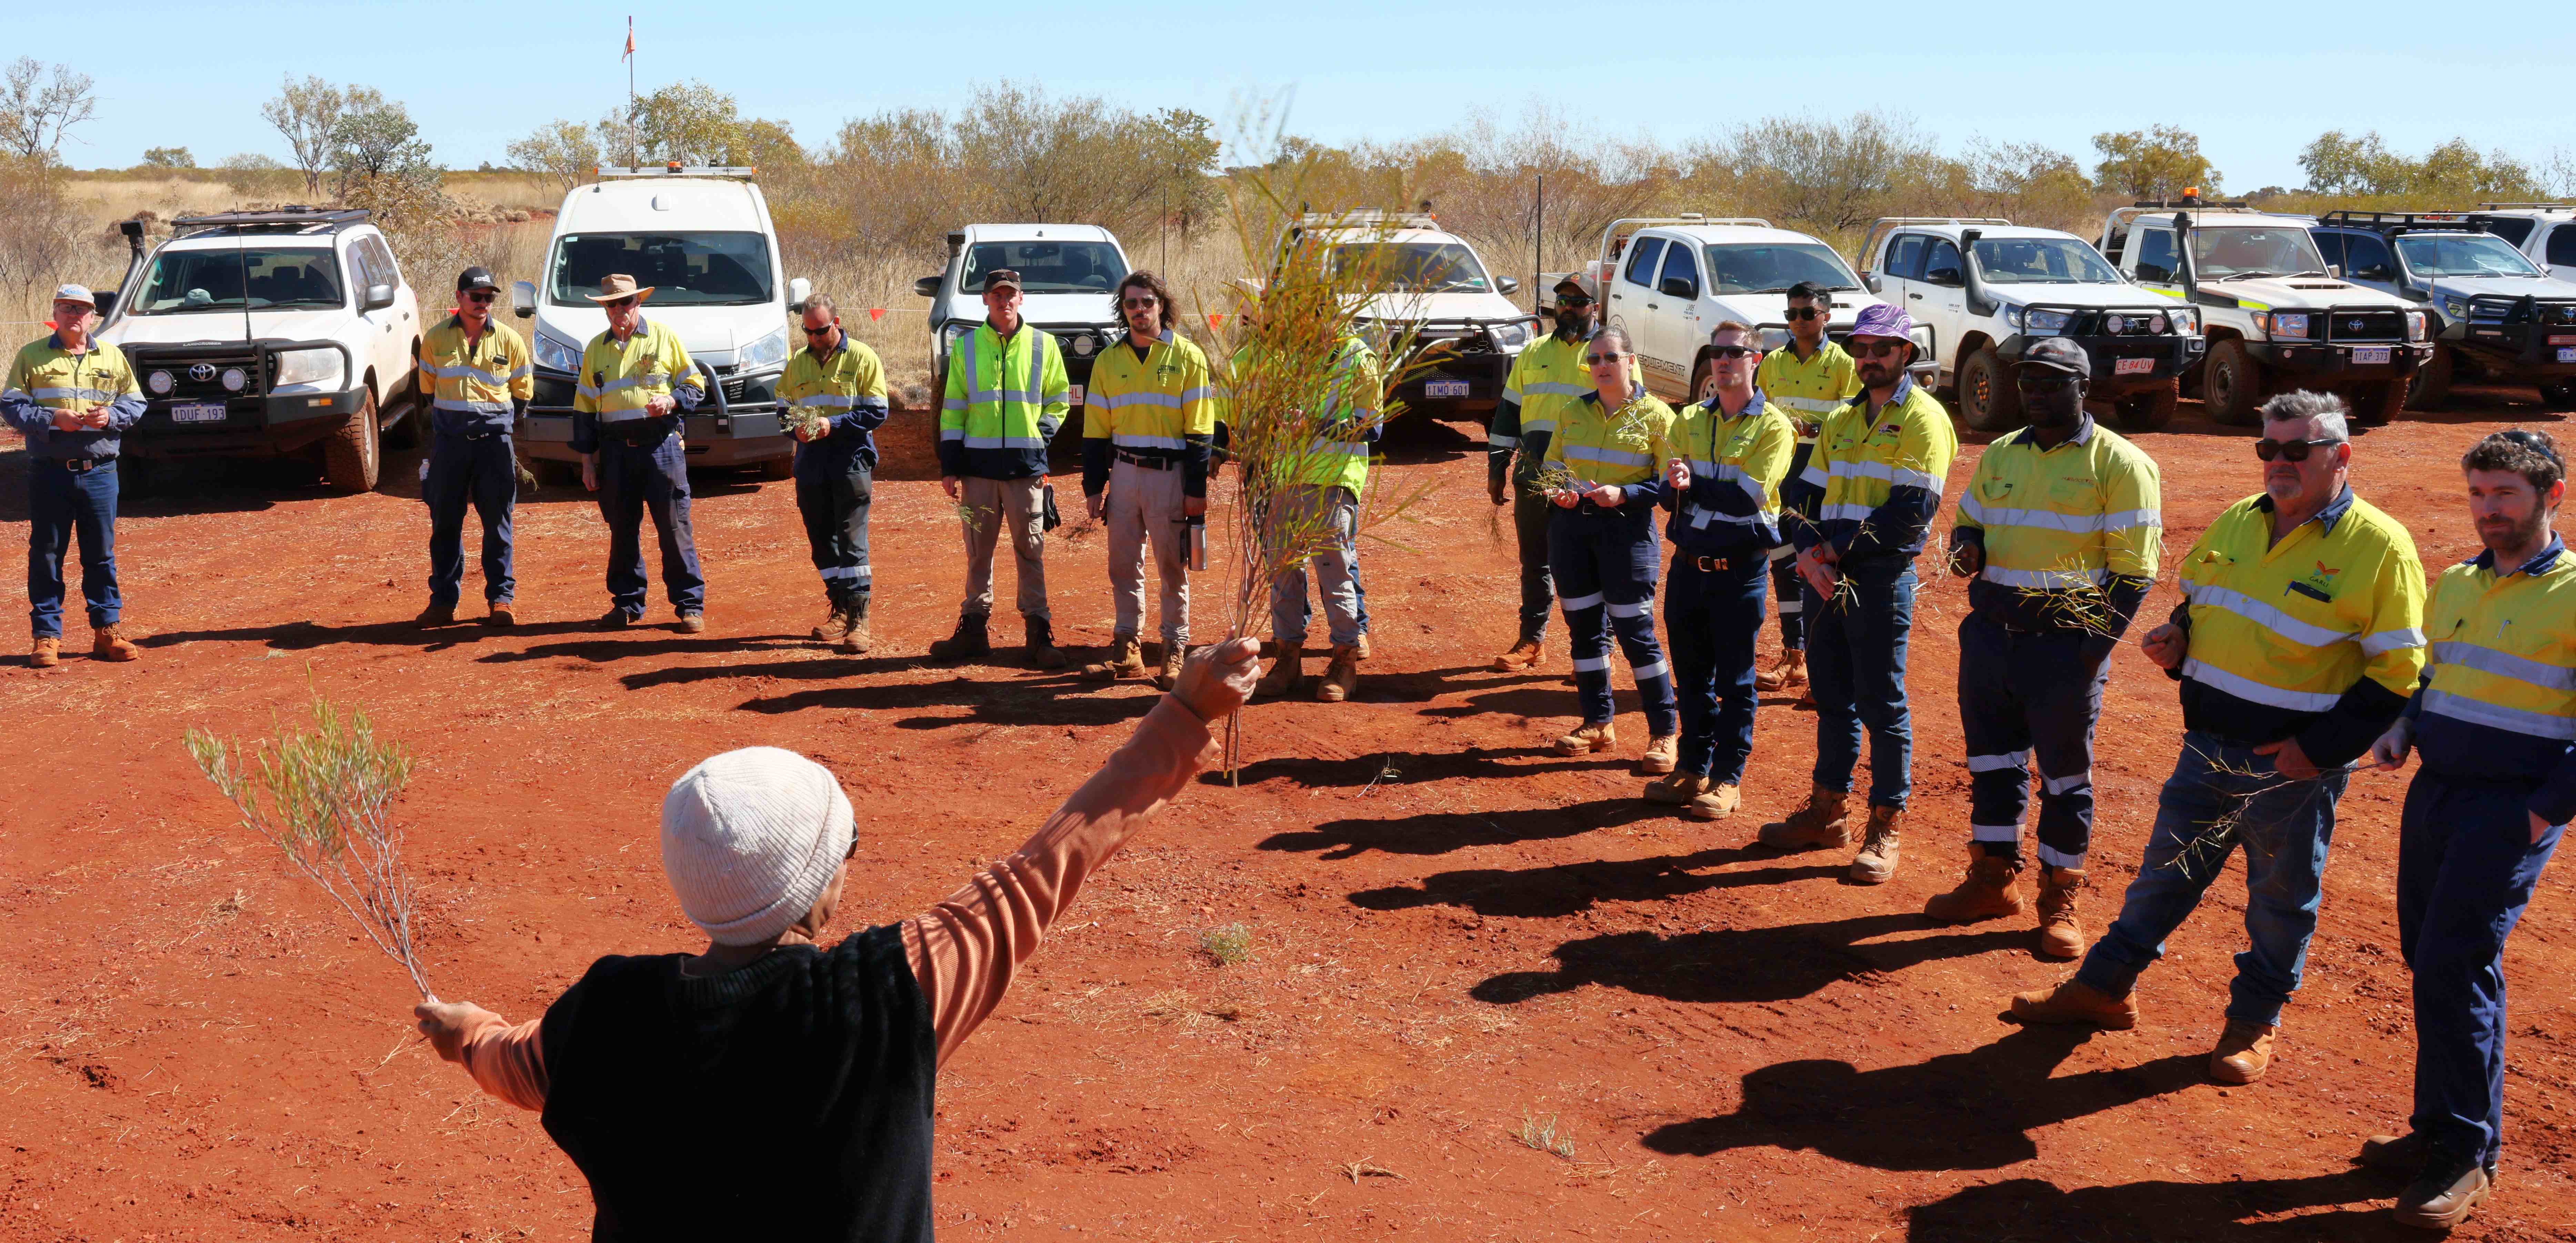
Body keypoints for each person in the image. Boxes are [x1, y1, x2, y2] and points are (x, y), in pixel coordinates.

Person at [412, 638, 1262, 1241]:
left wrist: (468, 1034)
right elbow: (1043, 868)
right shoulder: (882, 997)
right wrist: (1184, 714)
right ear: (823, 882)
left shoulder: (604, 1016)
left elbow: (517, 1062)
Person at [2013, 390, 2428, 1089]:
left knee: (2278, 902)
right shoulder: (2239, 518)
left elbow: (2398, 673)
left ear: (2340, 456)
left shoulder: (2380, 548)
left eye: (2296, 450)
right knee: (2160, 878)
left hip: (2289, 770)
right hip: (2205, 746)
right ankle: (2104, 989)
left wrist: (2319, 752)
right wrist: (2176, 639)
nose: (2277, 463)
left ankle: (2251, 1022)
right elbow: (2199, 599)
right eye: (2267, 449)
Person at [2357, 429, 2571, 1230]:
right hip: (2436, 793)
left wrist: (2540, 812)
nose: (2486, 511)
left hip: (2508, 807)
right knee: (2426, 957)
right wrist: (2403, 726)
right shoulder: (2453, 580)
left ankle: (2466, 1155)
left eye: (2504, 496)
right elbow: (2431, 675)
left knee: (2455, 960)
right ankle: (2432, 1128)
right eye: (2477, 495)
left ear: (2549, 497)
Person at [1931, 338, 2162, 958]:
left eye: (2049, 383)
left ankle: (2059, 898)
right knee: (1990, 764)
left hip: (2063, 650)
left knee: (2064, 779)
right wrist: (1966, 547)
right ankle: (1991, 880)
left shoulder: (2120, 464)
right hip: (1990, 641)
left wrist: (2088, 653)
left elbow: (2133, 574)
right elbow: (1969, 521)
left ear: (2081, 388)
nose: (2033, 392)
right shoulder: (2002, 452)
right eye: (2027, 382)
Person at [1761, 304, 1957, 884]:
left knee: (1882, 705)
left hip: (1878, 578)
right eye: (1861, 348)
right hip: (1826, 575)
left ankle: (1884, 826)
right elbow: (1801, 493)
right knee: (1830, 696)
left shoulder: (1924, 419)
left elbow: (1909, 514)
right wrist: (1804, 548)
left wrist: (1827, 553)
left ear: (1906, 354)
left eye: (1882, 348)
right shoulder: (1843, 418)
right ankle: (1827, 812)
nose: (1868, 358)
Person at [1645, 322, 1794, 819]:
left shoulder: (1772, 425)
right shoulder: (1687, 417)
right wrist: (1678, 485)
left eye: (1735, 352)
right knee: (1690, 677)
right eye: (1717, 352)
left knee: (1735, 680)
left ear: (1756, 360)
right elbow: (1667, 495)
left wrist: (1692, 486)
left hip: (1739, 572)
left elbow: (1748, 496)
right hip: (1688, 568)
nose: (1724, 360)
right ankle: (1691, 767)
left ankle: (1727, 778)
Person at [1542, 326, 1680, 770]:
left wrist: (1625, 494)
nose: (1601, 366)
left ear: (1630, 361)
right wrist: (1558, 491)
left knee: (1635, 634)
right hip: (1572, 532)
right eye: (1595, 360)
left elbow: (1668, 484)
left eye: (1610, 358)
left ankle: (1664, 733)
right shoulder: (1570, 412)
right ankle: (1598, 723)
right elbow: (1552, 466)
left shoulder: (1659, 416)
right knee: (1583, 631)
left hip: (1626, 534)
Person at [1080, 271, 1215, 690]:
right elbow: (1095, 431)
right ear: (1123, 310)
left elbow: (1201, 432)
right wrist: (1093, 488)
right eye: (1131, 304)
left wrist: (1195, 491)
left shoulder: (1188, 357)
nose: (1140, 310)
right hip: (1122, 475)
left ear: (1162, 305)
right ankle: (1127, 647)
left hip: (1169, 478)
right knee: (1122, 566)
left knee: (1172, 567)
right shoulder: (1108, 360)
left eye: (1147, 302)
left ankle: (1174, 649)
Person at [931, 269, 1070, 669]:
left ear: (1021, 299)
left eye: (1010, 294)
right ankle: (974, 630)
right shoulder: (967, 346)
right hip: (977, 470)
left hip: (1026, 470)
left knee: (1031, 550)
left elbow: (1059, 398)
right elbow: (953, 407)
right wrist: (950, 466)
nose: (1004, 301)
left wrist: (1039, 436)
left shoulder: (1043, 345)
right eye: (996, 295)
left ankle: (1038, 635)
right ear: (985, 300)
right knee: (978, 553)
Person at [1, 284, 145, 666]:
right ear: (56, 311)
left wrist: (111, 417)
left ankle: (107, 631)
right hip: (50, 472)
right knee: (47, 554)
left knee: (100, 555)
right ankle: (46, 637)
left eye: (81, 308)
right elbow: (11, 404)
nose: (73, 314)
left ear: (92, 316)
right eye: (66, 307)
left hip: (100, 471)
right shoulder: (31, 355)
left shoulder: (112, 356)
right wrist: (51, 420)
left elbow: (136, 401)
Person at [1488, 278, 1618, 672]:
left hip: (1585, 482)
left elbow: (1628, 412)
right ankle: (1532, 641)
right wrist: (1497, 466)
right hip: (1533, 475)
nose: (1568, 308)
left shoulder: (1608, 355)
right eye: (1562, 300)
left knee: (1593, 566)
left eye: (1578, 302)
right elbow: (1508, 413)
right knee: (1536, 563)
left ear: (1595, 307)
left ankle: (1600, 650)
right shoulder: (1533, 352)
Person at [1248, 329, 1381, 703]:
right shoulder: (1285, 355)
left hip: (1335, 482)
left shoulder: (1359, 357)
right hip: (1286, 480)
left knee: (1335, 575)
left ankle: (1344, 663)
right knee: (1284, 575)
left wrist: (1314, 426)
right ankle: (1288, 661)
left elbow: (1373, 426)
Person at [570, 274, 708, 632]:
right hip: (616, 455)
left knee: (675, 528)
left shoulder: (664, 337)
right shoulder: (595, 349)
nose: (620, 310)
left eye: (626, 303)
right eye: (612, 305)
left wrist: (673, 399)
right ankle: (627, 604)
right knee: (622, 531)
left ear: (638, 303)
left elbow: (696, 385)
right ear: (605, 308)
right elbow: (585, 409)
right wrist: (588, 460)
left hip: (662, 449)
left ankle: (689, 605)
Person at [1750, 281, 1860, 701]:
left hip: (1824, 480)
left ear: (1826, 316)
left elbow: (1852, 425)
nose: (1797, 321)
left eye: (1807, 314)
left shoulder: (1844, 364)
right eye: (1791, 314)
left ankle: (1824, 670)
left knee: (1824, 568)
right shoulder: (1772, 363)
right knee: (1785, 567)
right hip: (1782, 480)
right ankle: (1794, 655)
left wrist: (1809, 428)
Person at [414, 267, 533, 629]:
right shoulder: (434, 340)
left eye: (489, 298)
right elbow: (428, 392)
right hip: (450, 446)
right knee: (445, 524)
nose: (483, 303)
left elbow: (522, 394)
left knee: (498, 525)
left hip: (494, 446)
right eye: (476, 296)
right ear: (459, 297)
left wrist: (496, 426)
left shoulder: (511, 340)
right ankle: (444, 602)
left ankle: (501, 600)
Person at [779, 295, 891, 654]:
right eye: (808, 331)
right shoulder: (797, 363)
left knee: (852, 539)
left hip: (850, 459)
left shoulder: (862, 356)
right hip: (811, 463)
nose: (814, 338)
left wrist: (833, 424)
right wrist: (793, 429)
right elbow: (783, 407)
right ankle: (840, 607)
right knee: (821, 541)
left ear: (836, 322)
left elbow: (877, 411)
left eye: (821, 330)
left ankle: (860, 620)